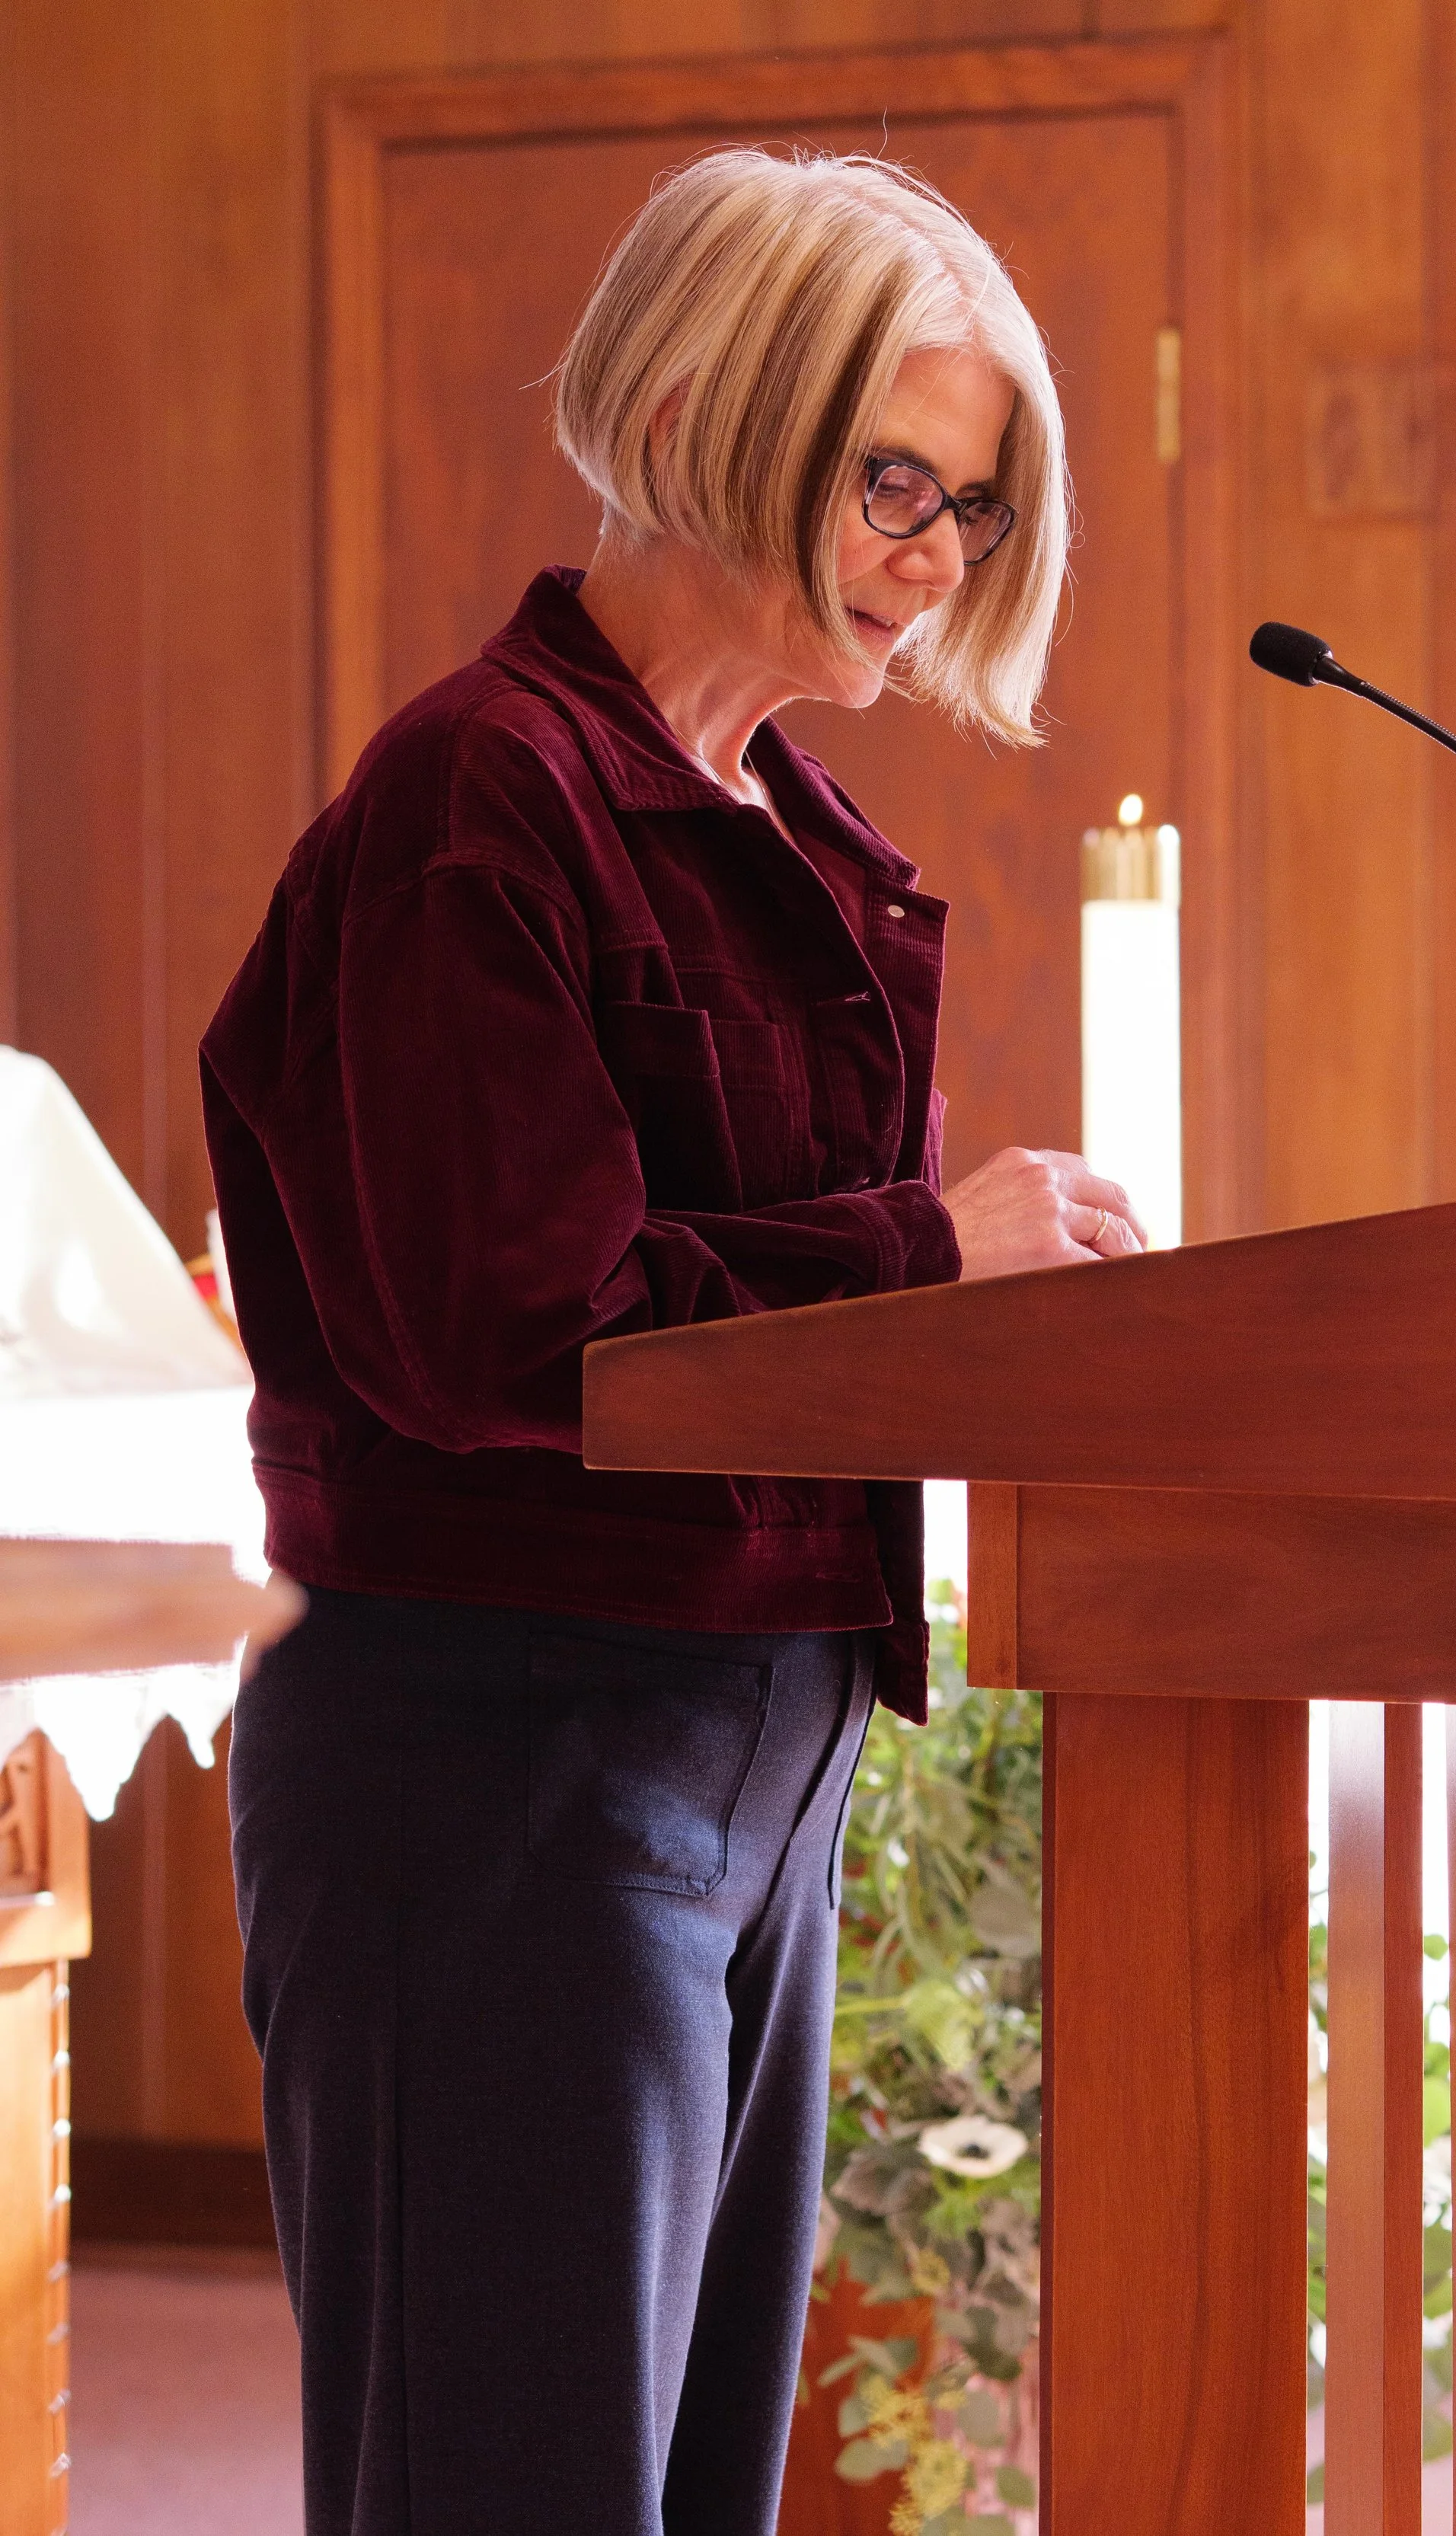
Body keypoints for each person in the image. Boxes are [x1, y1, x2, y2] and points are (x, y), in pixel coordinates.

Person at [200, 146, 1144, 2536]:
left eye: (974, 507)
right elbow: (511, 1329)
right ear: (712, 401)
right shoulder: (479, 804)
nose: (936, 559)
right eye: (892, 478)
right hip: (498, 1762)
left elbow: (787, 1308)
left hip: (753, 1750)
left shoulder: (787, 827)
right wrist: (932, 1254)